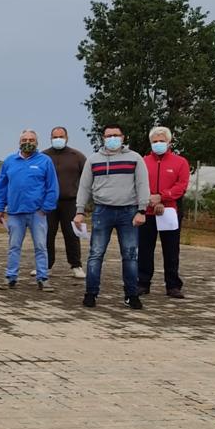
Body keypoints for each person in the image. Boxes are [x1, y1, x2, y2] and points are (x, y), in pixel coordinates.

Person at [75, 124, 151, 310]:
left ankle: (131, 295)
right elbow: (84, 186)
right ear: (103, 138)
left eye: (116, 135)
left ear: (123, 137)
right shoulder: (93, 160)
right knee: (96, 254)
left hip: (129, 212)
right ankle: (91, 293)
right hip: (102, 211)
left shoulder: (135, 158)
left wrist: (142, 210)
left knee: (130, 255)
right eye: (109, 135)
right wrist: (79, 210)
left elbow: (142, 184)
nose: (112, 139)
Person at [0, 131, 60, 292]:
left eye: (31, 140)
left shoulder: (45, 161)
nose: (27, 142)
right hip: (15, 213)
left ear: (37, 142)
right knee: (14, 246)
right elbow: (1, 186)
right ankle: (10, 277)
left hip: (37, 213)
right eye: (24, 140)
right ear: (19, 142)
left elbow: (52, 187)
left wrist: (46, 208)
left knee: (40, 246)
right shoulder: (10, 161)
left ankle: (43, 278)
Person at [138, 126, 190, 299]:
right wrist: (151, 199)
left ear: (169, 142)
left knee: (171, 249)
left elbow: (181, 186)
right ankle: (143, 282)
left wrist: (163, 197)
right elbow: (139, 184)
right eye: (155, 141)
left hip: (170, 211)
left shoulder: (180, 162)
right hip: (147, 210)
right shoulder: (143, 161)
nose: (158, 144)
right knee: (145, 249)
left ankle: (173, 285)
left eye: (162, 141)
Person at [44, 126, 88, 279]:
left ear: (67, 137)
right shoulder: (44, 156)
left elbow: (87, 179)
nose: (58, 139)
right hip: (49, 202)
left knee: (71, 234)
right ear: (50, 138)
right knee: (47, 233)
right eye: (55, 137)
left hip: (70, 202)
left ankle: (76, 265)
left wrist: (84, 203)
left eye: (60, 136)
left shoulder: (77, 156)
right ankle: (46, 265)